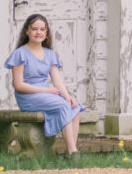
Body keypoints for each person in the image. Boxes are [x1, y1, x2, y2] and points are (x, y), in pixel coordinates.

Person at [5, 13, 85, 158]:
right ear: (27, 31)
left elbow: (57, 81)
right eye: (35, 29)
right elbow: (18, 85)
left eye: (42, 29)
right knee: (63, 106)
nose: (38, 32)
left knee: (74, 106)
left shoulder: (49, 54)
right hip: (28, 97)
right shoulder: (20, 53)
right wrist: (46, 90)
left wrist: (68, 97)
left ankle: (70, 152)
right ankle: (73, 152)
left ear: (46, 33)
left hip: (45, 94)